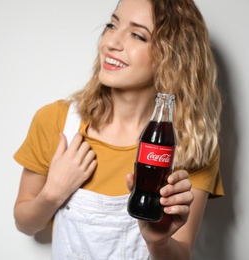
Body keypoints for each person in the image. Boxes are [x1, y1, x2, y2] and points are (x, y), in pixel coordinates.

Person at [13, 0, 224, 259]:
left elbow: (182, 253)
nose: (111, 42)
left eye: (137, 34)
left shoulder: (192, 144)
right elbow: (25, 224)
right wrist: (53, 193)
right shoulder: (56, 121)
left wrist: (158, 243)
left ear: (173, 56)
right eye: (112, 25)